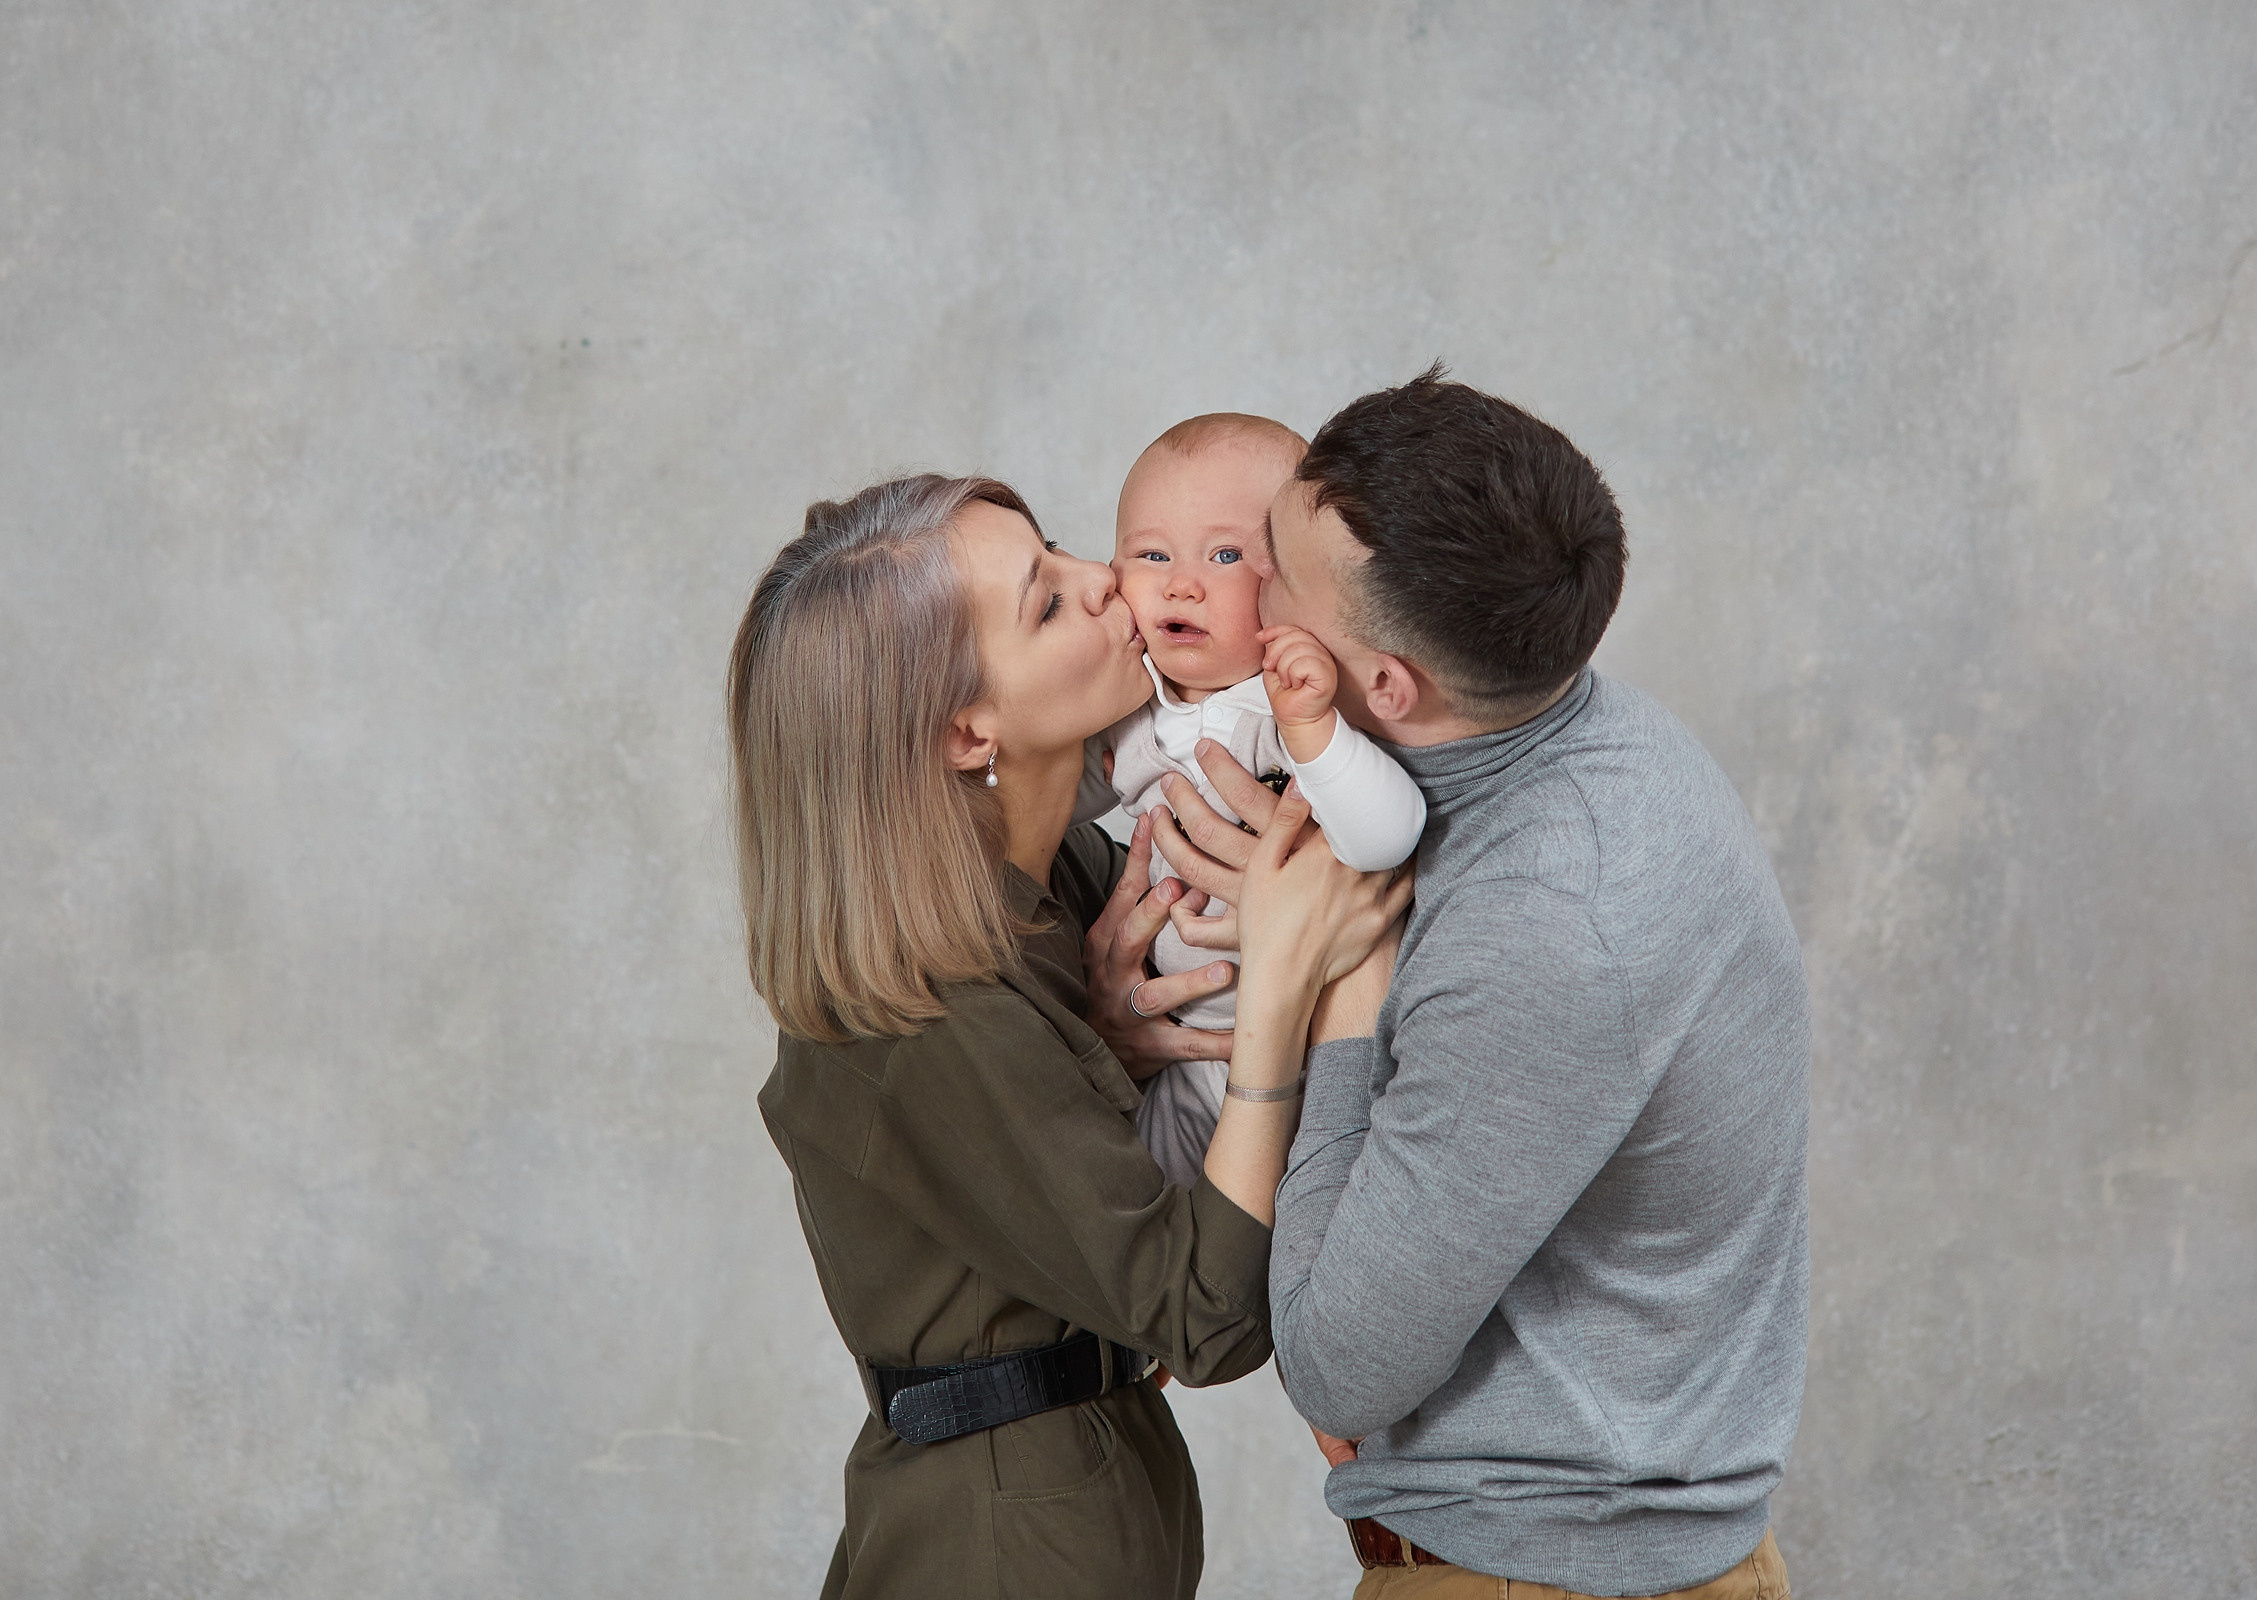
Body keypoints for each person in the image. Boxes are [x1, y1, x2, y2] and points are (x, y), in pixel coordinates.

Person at [1145, 370, 1810, 1600]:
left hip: (1540, 1578)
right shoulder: (1584, 740)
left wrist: (1332, 982)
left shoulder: (1554, 918)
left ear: (1389, 685)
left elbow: (1340, 1370)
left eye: (1272, 572)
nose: (1236, 593)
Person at [725, 473, 1410, 1600]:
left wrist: (1117, 1047)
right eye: (1046, 602)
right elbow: (1206, 1316)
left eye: (1059, 551)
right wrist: (1280, 990)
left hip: (1091, 1502)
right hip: (998, 1551)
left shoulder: (1070, 886)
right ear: (964, 730)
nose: (1111, 582)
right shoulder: (926, 1008)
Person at [1096, 413, 1427, 1189]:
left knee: (1302, 1230)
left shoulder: (1291, 703)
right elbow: (1036, 816)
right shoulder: (1126, 713)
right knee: (1158, 1240)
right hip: (1184, 1055)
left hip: (1320, 1057)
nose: (1182, 582)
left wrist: (1314, 729)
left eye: (1226, 554)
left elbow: (1388, 834)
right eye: (1151, 555)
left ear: (1290, 583)